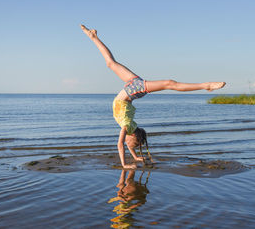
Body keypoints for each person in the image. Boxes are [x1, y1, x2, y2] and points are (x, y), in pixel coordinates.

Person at [81, 25, 226, 169]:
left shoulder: (132, 129)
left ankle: (94, 37)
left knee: (110, 63)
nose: (127, 144)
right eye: (131, 144)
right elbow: (120, 145)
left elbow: (129, 144)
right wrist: (125, 164)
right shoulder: (127, 127)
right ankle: (206, 85)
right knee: (170, 84)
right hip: (133, 90)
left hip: (131, 88)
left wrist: (136, 157)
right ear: (132, 137)